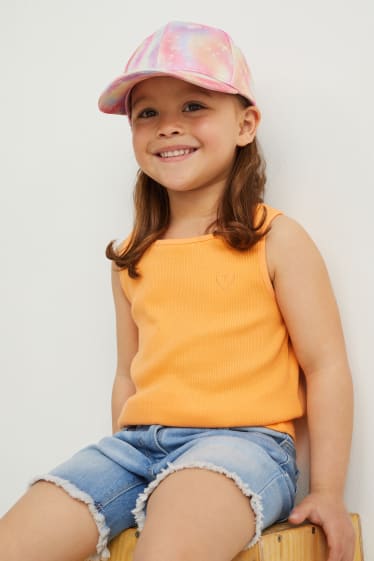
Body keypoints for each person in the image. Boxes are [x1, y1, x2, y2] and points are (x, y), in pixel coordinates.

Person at [0, 20, 355, 561]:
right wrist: (121, 465)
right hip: (135, 448)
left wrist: (327, 490)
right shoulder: (132, 254)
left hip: (245, 445)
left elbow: (326, 366)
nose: (168, 126)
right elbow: (128, 373)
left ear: (245, 123)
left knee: (170, 545)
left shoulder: (275, 238)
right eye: (148, 113)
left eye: (193, 106)